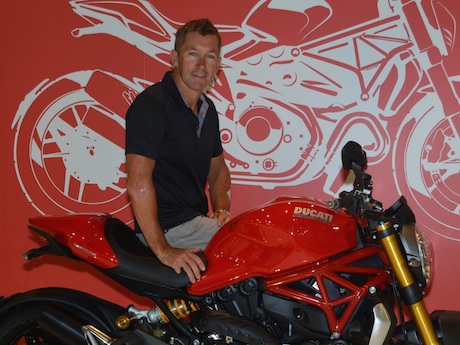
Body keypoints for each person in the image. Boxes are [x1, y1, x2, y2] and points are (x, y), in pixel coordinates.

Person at [125, 18, 231, 284]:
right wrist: (164, 251)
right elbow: (138, 183)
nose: (201, 65)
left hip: (192, 222)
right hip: (169, 229)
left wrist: (221, 209)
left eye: (210, 57)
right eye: (193, 54)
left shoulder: (208, 110)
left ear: (218, 65)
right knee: (252, 242)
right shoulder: (152, 106)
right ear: (175, 58)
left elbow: (218, 171)